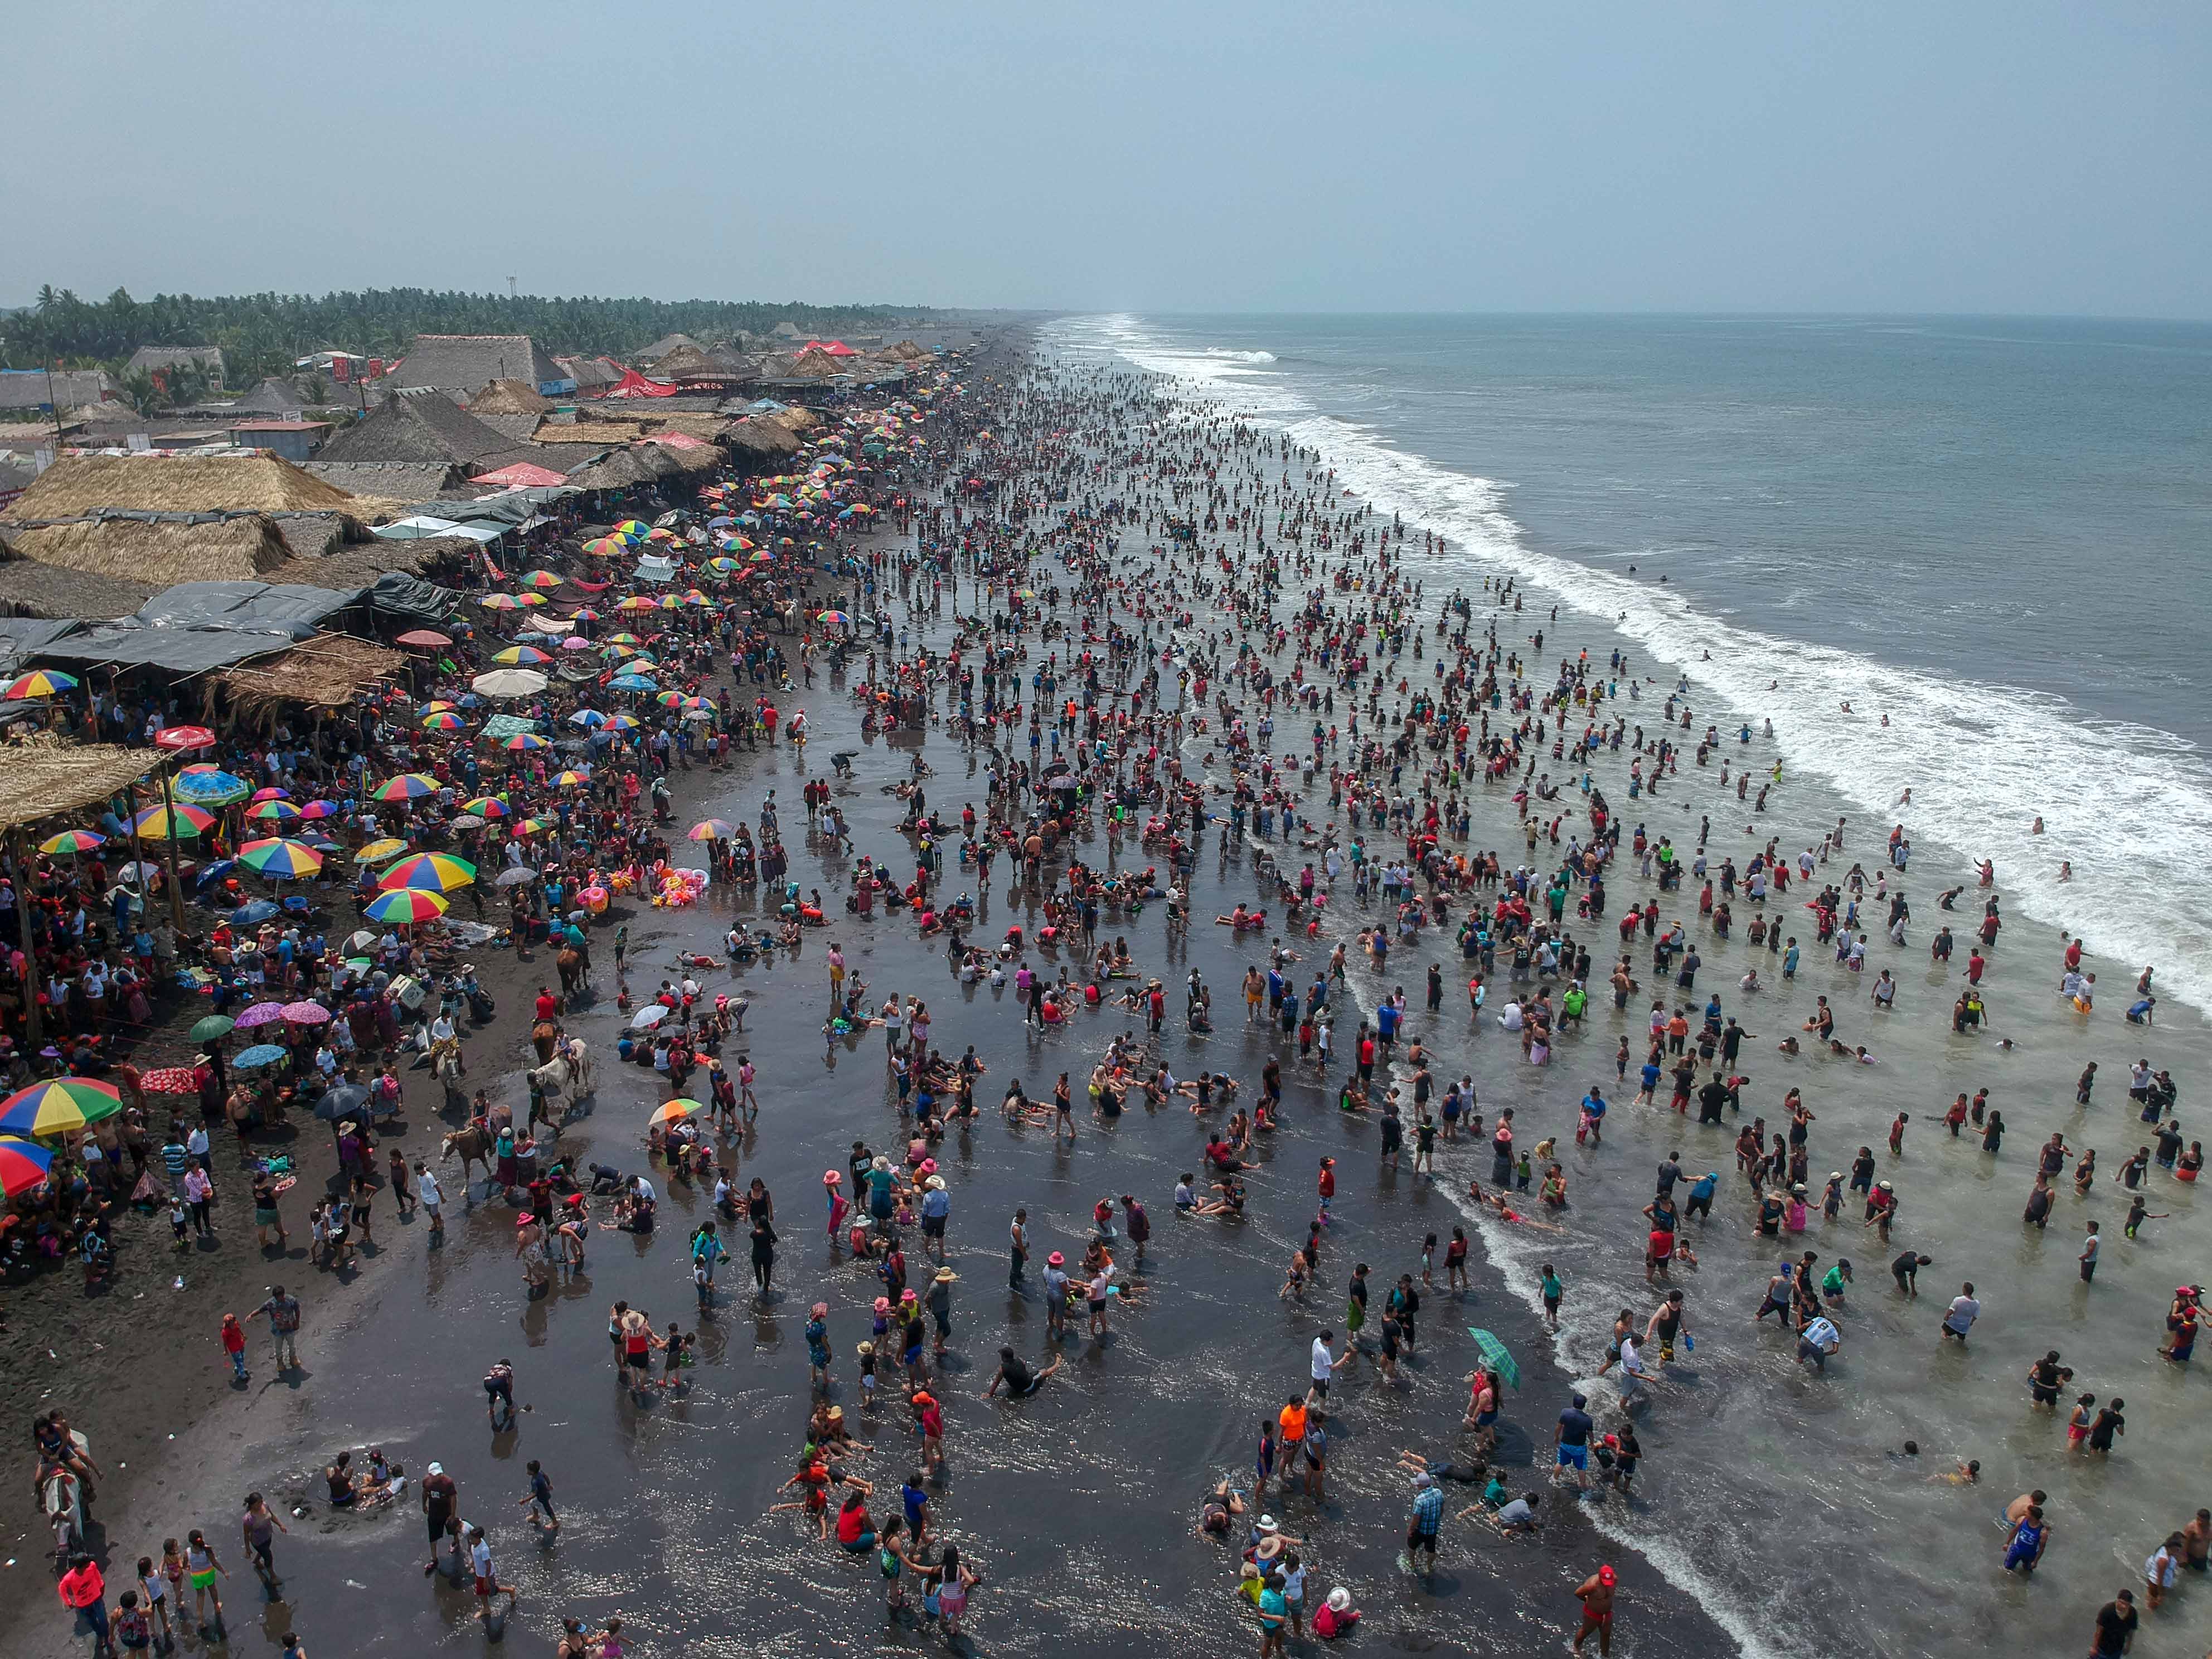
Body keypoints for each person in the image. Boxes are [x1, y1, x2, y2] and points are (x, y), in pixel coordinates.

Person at [1572, 1564, 1618, 1655]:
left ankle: (1605, 1655)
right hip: (1593, 1613)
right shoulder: (1592, 1586)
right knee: (1586, 1631)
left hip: (1607, 1613)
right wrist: (1587, 1601)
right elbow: (1578, 1593)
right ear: (1600, 1577)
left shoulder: (1615, 1579)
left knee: (1606, 1634)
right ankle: (1576, 1648)